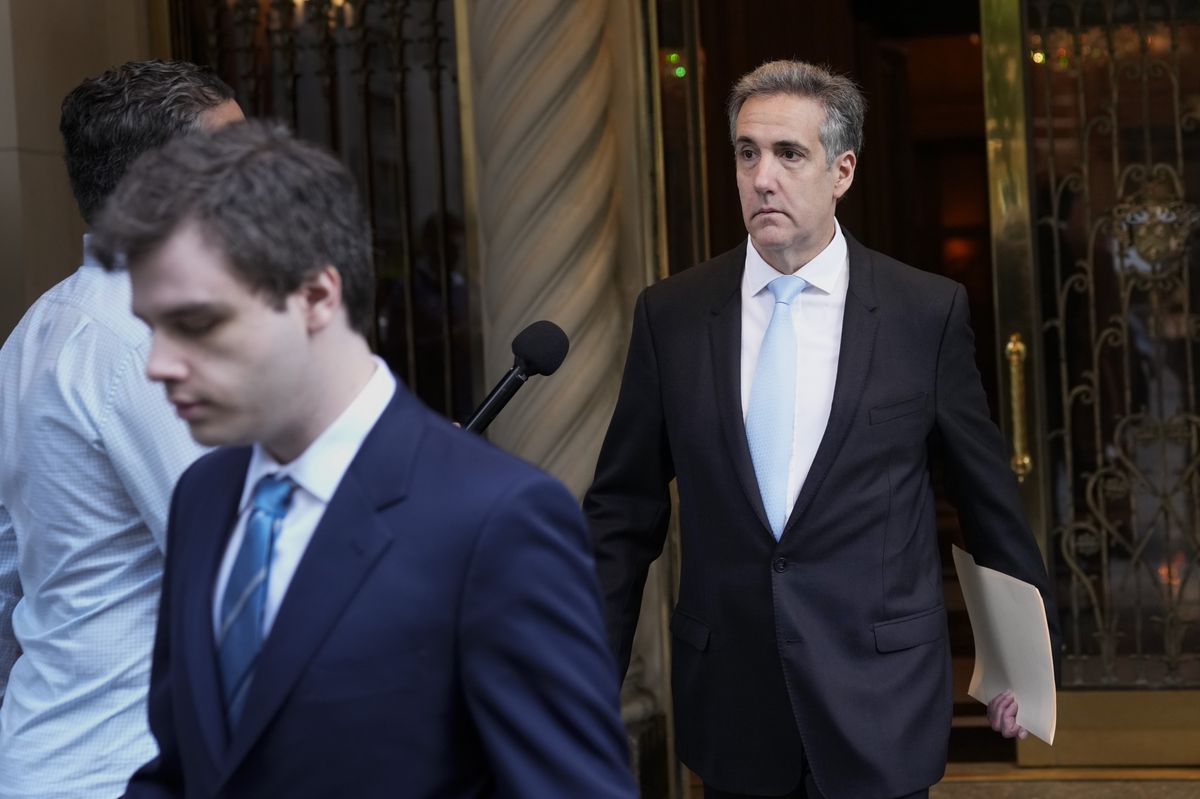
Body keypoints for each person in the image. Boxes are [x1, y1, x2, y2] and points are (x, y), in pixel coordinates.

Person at [90, 120, 638, 798]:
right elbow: (179, 772)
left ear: (316, 297)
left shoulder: (495, 520)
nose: (158, 365)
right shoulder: (204, 496)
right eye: (151, 328)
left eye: (197, 324)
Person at [584, 60, 1061, 799]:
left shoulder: (922, 312)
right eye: (747, 153)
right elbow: (621, 514)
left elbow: (986, 499)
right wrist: (580, 681)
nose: (762, 177)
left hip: (883, 700)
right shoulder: (672, 316)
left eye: (788, 154)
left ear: (842, 171)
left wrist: (1025, 670)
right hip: (735, 707)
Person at [0, 60, 242, 798]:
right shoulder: (143, 343)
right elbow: (250, 561)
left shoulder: (41, 326)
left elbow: (8, 571)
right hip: (126, 767)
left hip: (54, 756)